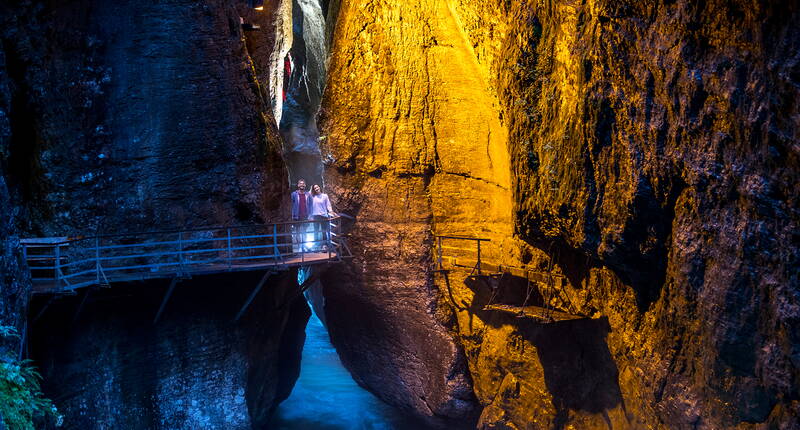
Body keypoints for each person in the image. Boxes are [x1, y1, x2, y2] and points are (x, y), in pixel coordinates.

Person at [308, 184, 335, 251]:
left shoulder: (324, 196)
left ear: (319, 187)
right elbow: (308, 195)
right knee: (316, 232)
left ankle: (324, 245)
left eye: (317, 187)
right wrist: (311, 189)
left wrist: (331, 211)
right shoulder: (312, 197)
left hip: (323, 215)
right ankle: (316, 246)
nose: (316, 188)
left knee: (324, 231)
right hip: (316, 216)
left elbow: (328, 205)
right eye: (315, 188)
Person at [290, 179, 312, 252]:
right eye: (300, 184)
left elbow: (311, 205)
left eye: (303, 184)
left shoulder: (308, 194)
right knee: (298, 232)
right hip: (297, 216)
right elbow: (291, 205)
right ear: (298, 185)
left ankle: (304, 246)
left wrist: (310, 215)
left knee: (305, 232)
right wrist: (292, 215)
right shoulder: (294, 194)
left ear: (305, 185)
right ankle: (300, 247)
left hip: (305, 216)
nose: (302, 185)